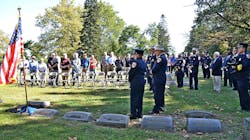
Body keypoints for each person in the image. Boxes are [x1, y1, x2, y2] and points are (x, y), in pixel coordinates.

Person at [128, 48, 146, 119]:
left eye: (135, 54)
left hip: (135, 81)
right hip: (142, 81)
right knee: (140, 98)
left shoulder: (135, 62)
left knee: (134, 98)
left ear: (137, 54)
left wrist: (130, 80)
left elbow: (131, 72)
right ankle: (139, 113)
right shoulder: (144, 63)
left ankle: (133, 114)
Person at [150, 47, 167, 114]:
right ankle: (161, 106)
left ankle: (157, 108)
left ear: (160, 51)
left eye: (156, 51)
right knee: (160, 93)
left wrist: (151, 72)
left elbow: (155, 68)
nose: (155, 52)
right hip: (161, 77)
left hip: (158, 78)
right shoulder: (163, 57)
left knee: (157, 94)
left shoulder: (160, 58)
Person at [235, 43, 250, 112]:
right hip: (239, 76)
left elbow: (245, 65)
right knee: (240, 92)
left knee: (244, 92)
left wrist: (239, 66)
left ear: (243, 48)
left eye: (239, 48)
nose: (238, 49)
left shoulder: (246, 56)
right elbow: (236, 64)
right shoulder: (238, 56)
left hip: (244, 77)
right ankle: (242, 106)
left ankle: (247, 107)